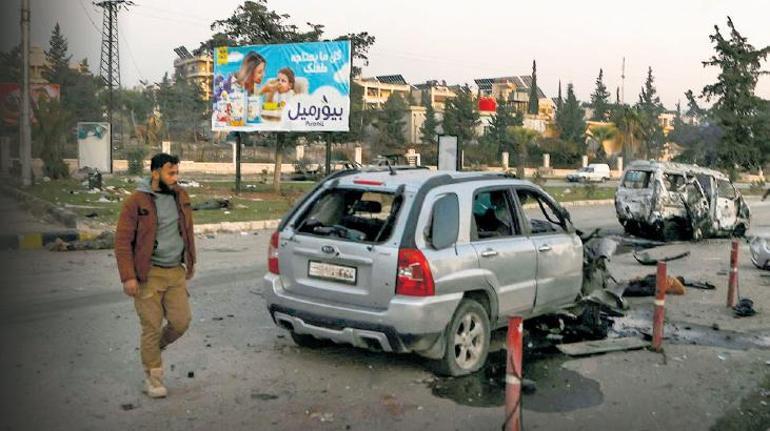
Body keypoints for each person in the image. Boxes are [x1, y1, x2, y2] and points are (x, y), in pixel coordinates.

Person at [115, 153, 196, 398]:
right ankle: (153, 378)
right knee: (151, 326)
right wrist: (128, 276)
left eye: (177, 173)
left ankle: (154, 348)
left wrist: (191, 261)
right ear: (155, 173)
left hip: (175, 272)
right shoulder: (136, 201)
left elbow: (187, 230)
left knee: (181, 322)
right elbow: (122, 241)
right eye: (170, 173)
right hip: (148, 274)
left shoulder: (181, 196)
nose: (175, 178)